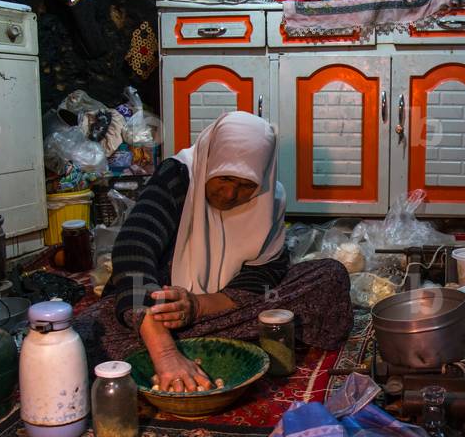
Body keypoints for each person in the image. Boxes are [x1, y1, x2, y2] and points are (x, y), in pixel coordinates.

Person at [76, 111, 352, 392]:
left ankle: (182, 344)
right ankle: (184, 345)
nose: (231, 195)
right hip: (160, 313)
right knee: (82, 336)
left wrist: (198, 306)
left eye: (246, 185)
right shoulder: (178, 175)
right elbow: (133, 249)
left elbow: (267, 272)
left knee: (329, 276)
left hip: (218, 307)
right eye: (224, 179)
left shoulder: (270, 197)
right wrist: (166, 354)